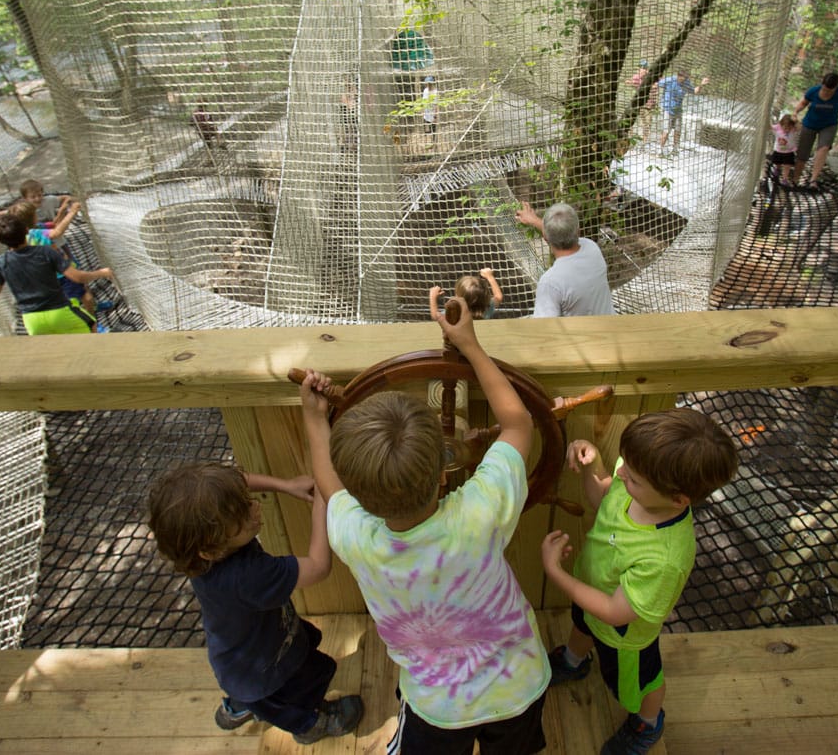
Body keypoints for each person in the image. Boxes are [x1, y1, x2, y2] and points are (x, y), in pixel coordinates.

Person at [298, 299, 550, 755]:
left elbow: (329, 484)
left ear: (359, 494)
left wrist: (315, 420)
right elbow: (517, 424)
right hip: (518, 685)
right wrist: (470, 345)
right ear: (443, 472)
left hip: (437, 703)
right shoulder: (481, 511)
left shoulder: (354, 536)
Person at [542, 409, 739, 755]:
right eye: (624, 467)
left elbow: (616, 612)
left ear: (678, 499)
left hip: (624, 636)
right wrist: (593, 464)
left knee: (641, 683)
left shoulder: (663, 559)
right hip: (592, 588)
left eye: (631, 478)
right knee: (581, 622)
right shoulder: (639, 478)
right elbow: (604, 497)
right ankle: (573, 661)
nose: (621, 475)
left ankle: (647, 723)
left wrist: (556, 574)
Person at [147, 462, 364, 743]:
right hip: (265, 668)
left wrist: (284, 485)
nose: (255, 508)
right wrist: (323, 501)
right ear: (211, 548)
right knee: (297, 692)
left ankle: (240, 705)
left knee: (253, 689)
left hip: (234, 654)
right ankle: (311, 724)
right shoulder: (248, 576)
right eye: (244, 513)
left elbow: (237, 481)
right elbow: (318, 567)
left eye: (246, 501)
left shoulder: (199, 552)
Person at [0, 213, 113, 335]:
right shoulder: (45, 252)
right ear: (26, 231)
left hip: (32, 321)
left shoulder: (0, 262)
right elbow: (77, 277)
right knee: (92, 329)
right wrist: (101, 272)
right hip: (60, 312)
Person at [515, 201, 614, 317]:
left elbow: (545, 328)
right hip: (610, 325)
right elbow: (562, 233)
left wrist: (540, 224)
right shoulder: (591, 247)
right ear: (578, 231)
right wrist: (535, 220)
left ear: (545, 238)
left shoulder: (550, 283)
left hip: (581, 335)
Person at [9, 200, 96, 318]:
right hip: (62, 272)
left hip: (44, 278)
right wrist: (73, 212)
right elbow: (57, 232)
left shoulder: (18, 240)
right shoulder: (36, 233)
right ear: (33, 217)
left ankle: (86, 312)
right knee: (84, 296)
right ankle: (90, 319)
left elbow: (54, 224)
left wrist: (61, 212)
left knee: (71, 295)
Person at [793, 72, 838, 191]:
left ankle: (813, 180)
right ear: (822, 84)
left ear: (836, 87)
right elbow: (803, 103)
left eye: (830, 91)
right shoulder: (813, 91)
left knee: (823, 148)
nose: (826, 92)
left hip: (829, 125)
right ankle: (795, 179)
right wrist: (795, 113)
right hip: (810, 124)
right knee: (802, 153)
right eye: (825, 90)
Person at [0, 178, 73, 225]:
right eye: (33, 197)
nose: (37, 199)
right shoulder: (22, 209)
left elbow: (67, 198)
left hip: (56, 236)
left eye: (39, 195)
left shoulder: (48, 200)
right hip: (37, 238)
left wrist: (62, 208)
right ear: (25, 198)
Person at [656, 71, 708, 154]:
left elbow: (694, 91)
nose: (684, 80)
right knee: (666, 131)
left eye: (686, 78)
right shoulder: (669, 80)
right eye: (683, 78)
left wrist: (701, 84)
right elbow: (657, 84)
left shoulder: (686, 83)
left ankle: (675, 150)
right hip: (667, 109)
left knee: (677, 131)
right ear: (678, 76)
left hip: (678, 110)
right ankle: (660, 150)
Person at [428, 268, 503, 321]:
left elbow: (435, 316)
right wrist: (490, 277)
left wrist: (432, 296)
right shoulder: (486, 308)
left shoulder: (455, 312)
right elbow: (498, 297)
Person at [770, 113, 801, 188]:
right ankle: (777, 168)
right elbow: (770, 127)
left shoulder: (793, 129)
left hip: (789, 152)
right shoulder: (778, 127)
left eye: (789, 128)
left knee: (787, 166)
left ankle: (784, 179)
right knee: (778, 163)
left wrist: (796, 121)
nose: (787, 130)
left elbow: (800, 127)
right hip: (778, 151)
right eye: (785, 127)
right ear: (781, 125)